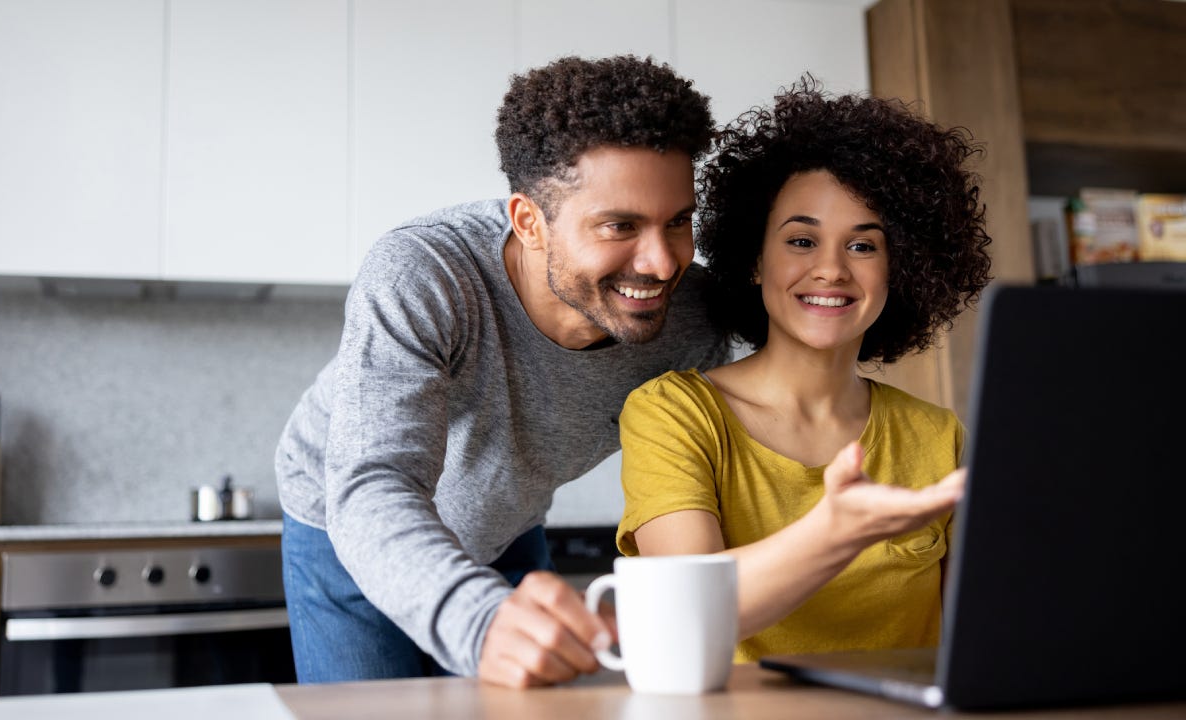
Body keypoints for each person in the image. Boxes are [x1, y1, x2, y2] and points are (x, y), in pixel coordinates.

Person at [275, 55, 729, 688]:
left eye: (678, 221)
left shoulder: (695, 317)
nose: (660, 263)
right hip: (349, 529)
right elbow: (373, 480)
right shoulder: (425, 274)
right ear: (528, 221)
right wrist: (479, 622)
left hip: (507, 524)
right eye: (619, 226)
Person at [615, 78, 993, 663]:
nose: (831, 270)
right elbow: (686, 614)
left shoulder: (937, 437)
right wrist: (838, 530)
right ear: (754, 260)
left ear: (904, 269)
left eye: (863, 247)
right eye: (801, 240)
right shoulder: (672, 415)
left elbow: (971, 643)